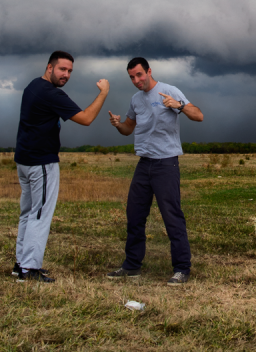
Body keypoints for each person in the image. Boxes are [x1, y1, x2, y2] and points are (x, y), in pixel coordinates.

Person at [13, 50, 109, 282]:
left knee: (28, 212)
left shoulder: (33, 86)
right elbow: (86, 118)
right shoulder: (51, 94)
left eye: (70, 71)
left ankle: (21, 264)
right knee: (40, 214)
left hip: (24, 160)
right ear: (49, 67)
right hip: (41, 162)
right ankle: (29, 269)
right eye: (62, 69)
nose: (66, 74)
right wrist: (103, 92)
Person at [107, 57, 203, 285]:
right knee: (135, 216)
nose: (136, 80)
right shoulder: (136, 99)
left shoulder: (169, 91)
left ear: (149, 71)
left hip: (166, 164)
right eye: (132, 77)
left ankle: (182, 268)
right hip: (144, 164)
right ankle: (132, 266)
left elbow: (199, 115)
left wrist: (179, 105)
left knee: (172, 216)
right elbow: (128, 129)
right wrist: (118, 124)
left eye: (139, 75)